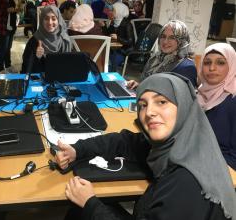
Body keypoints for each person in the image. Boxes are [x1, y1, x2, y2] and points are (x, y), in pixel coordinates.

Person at [56, 73, 236, 220]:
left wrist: (90, 203)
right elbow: (125, 141)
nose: (149, 112)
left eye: (161, 102)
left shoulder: (185, 181)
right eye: (142, 105)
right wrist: (77, 150)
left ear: (184, 106)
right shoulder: (183, 142)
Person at [197, 43, 236, 170]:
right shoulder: (199, 94)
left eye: (220, 63)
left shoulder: (233, 100)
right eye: (207, 63)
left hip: (219, 169)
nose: (212, 68)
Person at [127, 20, 197, 89]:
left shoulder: (187, 67)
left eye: (172, 38)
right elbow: (149, 84)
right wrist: (139, 85)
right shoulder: (156, 58)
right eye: (163, 36)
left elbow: (184, 98)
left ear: (182, 41)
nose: (165, 41)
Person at [21, 5, 71, 73]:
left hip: (61, 80)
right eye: (46, 18)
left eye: (53, 19)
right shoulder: (34, 41)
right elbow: (26, 68)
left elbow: (69, 65)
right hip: (39, 81)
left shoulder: (64, 40)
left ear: (58, 20)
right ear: (42, 20)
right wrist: (37, 57)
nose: (50, 22)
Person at [104, 2, 134, 71]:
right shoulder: (115, 22)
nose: (112, 12)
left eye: (114, 10)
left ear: (120, 12)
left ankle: (111, 79)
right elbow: (108, 34)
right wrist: (104, 26)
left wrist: (118, 38)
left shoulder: (127, 24)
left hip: (124, 50)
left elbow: (130, 41)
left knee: (111, 62)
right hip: (116, 49)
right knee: (105, 57)